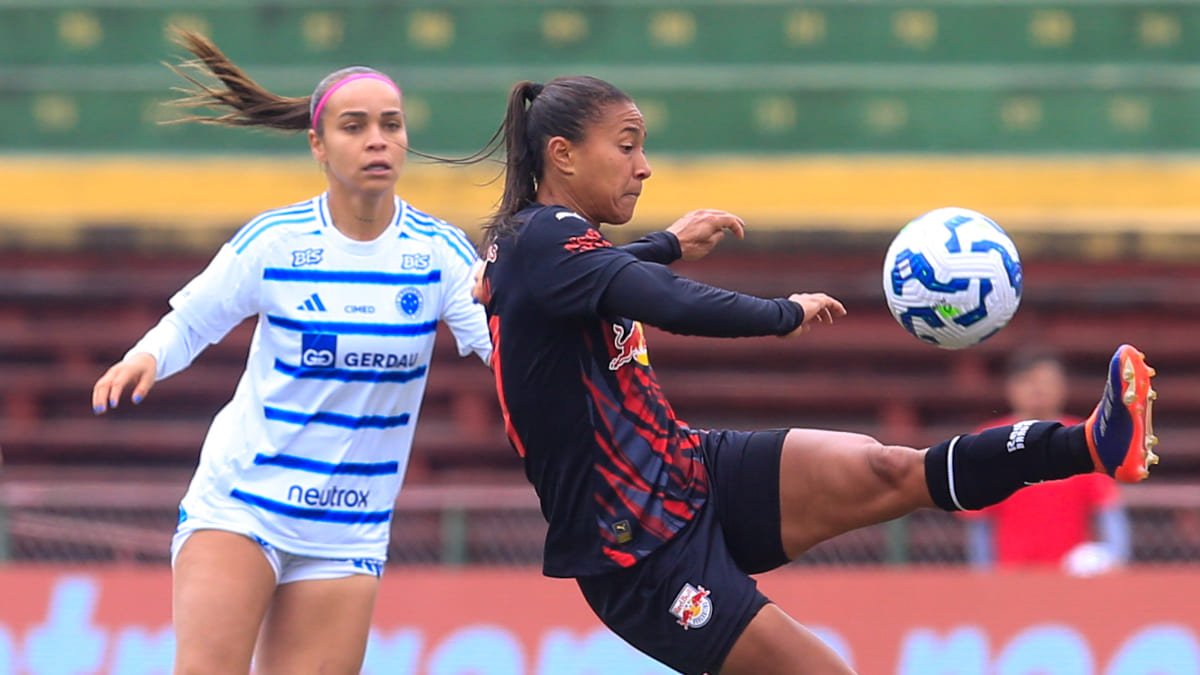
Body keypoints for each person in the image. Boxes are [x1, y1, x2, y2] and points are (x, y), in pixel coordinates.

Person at [472, 75, 1159, 675]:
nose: (643, 166)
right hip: (638, 548)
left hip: (686, 470)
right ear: (561, 153)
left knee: (891, 469)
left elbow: (603, 272)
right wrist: (782, 312)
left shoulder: (544, 243)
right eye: (627, 145)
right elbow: (663, 300)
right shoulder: (546, 240)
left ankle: (1091, 443)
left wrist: (670, 242)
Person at [89, 31, 493, 674]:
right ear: (318, 144)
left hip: (347, 528)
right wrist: (145, 356)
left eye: (391, 124)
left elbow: (496, 345)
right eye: (354, 126)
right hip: (243, 501)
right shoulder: (276, 241)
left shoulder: (439, 252)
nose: (377, 140)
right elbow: (192, 320)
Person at [963, 349, 1131, 571]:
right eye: (1028, 381)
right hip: (1011, 576)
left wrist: (1116, 559)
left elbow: (1108, 509)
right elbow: (979, 522)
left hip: (1071, 576)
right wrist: (985, 577)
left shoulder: (1086, 438)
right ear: (1011, 388)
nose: (1038, 390)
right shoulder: (987, 441)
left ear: (1062, 387)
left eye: (1047, 381)